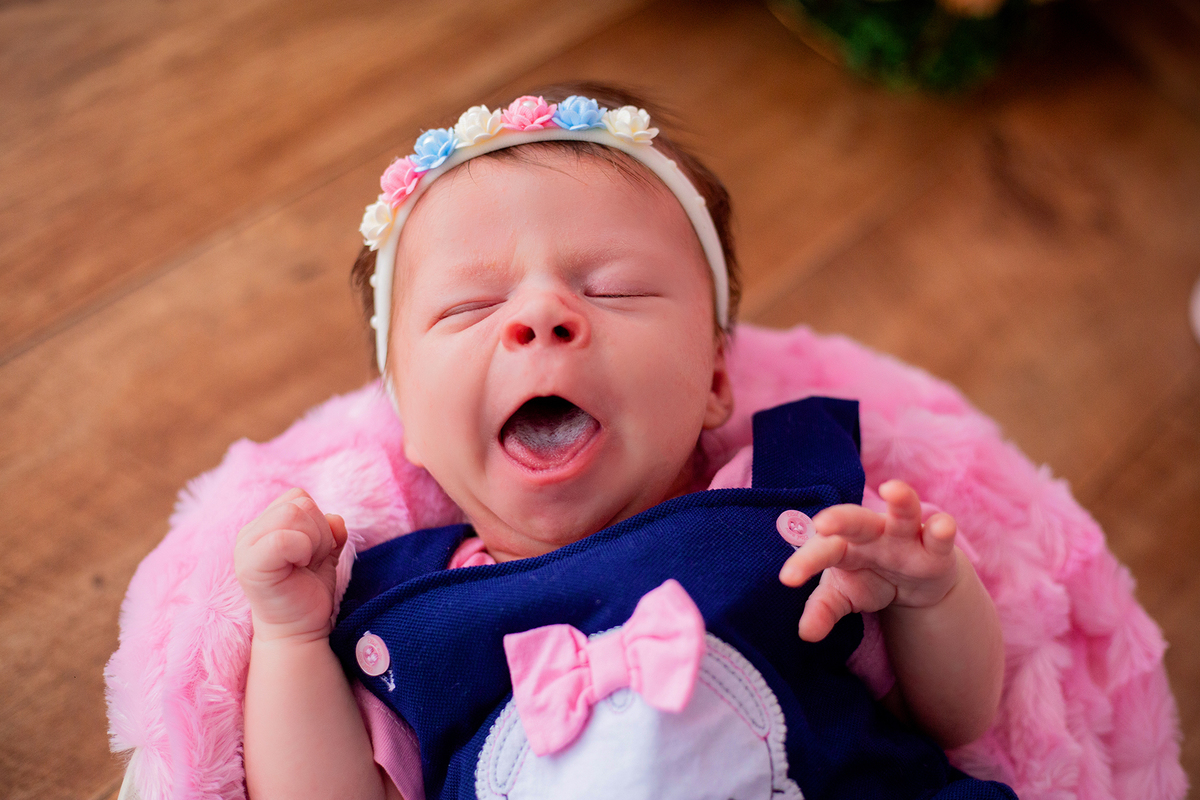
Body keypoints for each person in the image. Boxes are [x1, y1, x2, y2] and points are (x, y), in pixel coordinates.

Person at [233, 82, 1010, 800]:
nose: (539, 316)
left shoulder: (793, 506)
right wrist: (291, 640)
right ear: (409, 428)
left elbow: (953, 721)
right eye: (471, 306)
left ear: (712, 382)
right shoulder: (406, 614)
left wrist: (930, 597)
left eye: (614, 289)